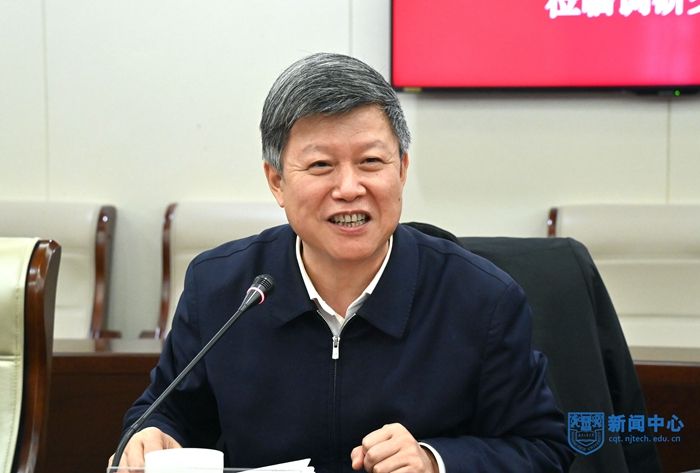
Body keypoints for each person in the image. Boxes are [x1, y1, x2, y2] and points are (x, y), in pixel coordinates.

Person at [111, 52, 573, 472]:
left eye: (370, 161)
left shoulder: (481, 299)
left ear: (402, 169)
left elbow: (544, 448)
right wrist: (151, 435)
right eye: (321, 166)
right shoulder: (222, 288)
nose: (349, 188)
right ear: (276, 182)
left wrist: (435, 462)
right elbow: (165, 412)